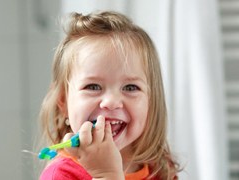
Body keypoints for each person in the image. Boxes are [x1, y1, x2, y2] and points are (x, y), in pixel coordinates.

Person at [38, 10, 180, 180]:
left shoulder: (159, 168)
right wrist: (106, 175)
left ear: (152, 102)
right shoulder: (60, 175)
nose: (111, 102)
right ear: (63, 101)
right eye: (93, 86)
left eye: (130, 87)